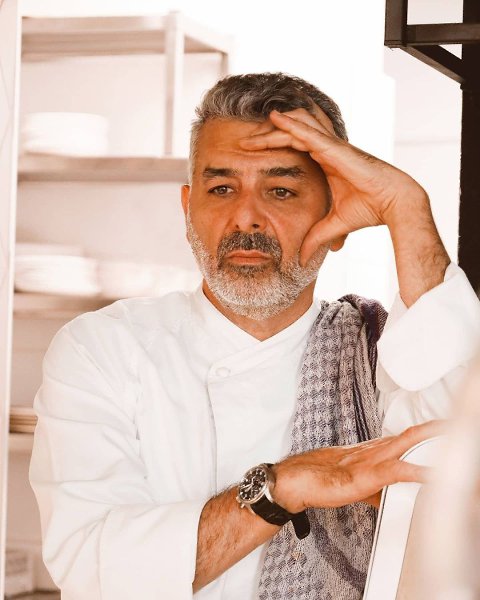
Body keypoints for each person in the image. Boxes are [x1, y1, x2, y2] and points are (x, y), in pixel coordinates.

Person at [29, 73, 480, 600]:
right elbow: (92, 566)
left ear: (335, 215)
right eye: (221, 189)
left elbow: (456, 474)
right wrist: (282, 486)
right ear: (187, 209)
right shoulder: (103, 350)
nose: (246, 217)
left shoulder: (383, 353)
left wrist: (407, 208)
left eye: (281, 190)